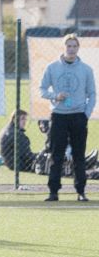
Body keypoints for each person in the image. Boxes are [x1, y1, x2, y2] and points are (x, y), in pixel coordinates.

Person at [40, 33, 96, 202]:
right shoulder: (52, 67)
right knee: (56, 155)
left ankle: (80, 191)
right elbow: (41, 90)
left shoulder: (86, 69)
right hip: (59, 116)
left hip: (78, 117)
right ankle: (53, 192)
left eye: (74, 46)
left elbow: (92, 94)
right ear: (63, 47)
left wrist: (86, 114)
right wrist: (55, 96)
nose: (71, 49)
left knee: (79, 155)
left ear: (78, 48)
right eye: (68, 46)